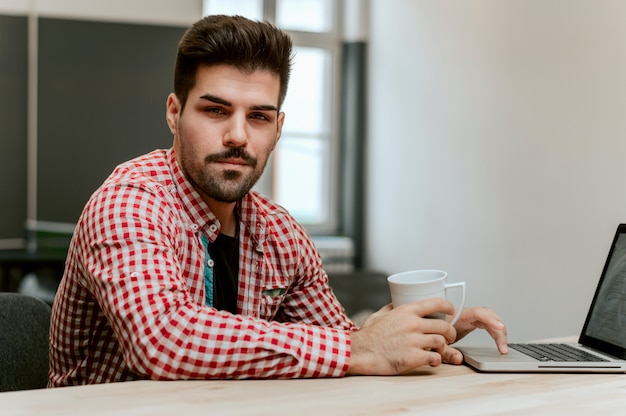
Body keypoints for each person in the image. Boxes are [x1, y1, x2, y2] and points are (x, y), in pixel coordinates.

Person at [48, 14, 508, 387]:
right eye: (215, 110)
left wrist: (420, 334)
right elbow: (163, 340)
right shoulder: (130, 203)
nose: (237, 135)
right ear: (174, 113)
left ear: (279, 128)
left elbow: (343, 341)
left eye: (259, 116)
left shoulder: (280, 232)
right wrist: (360, 347)